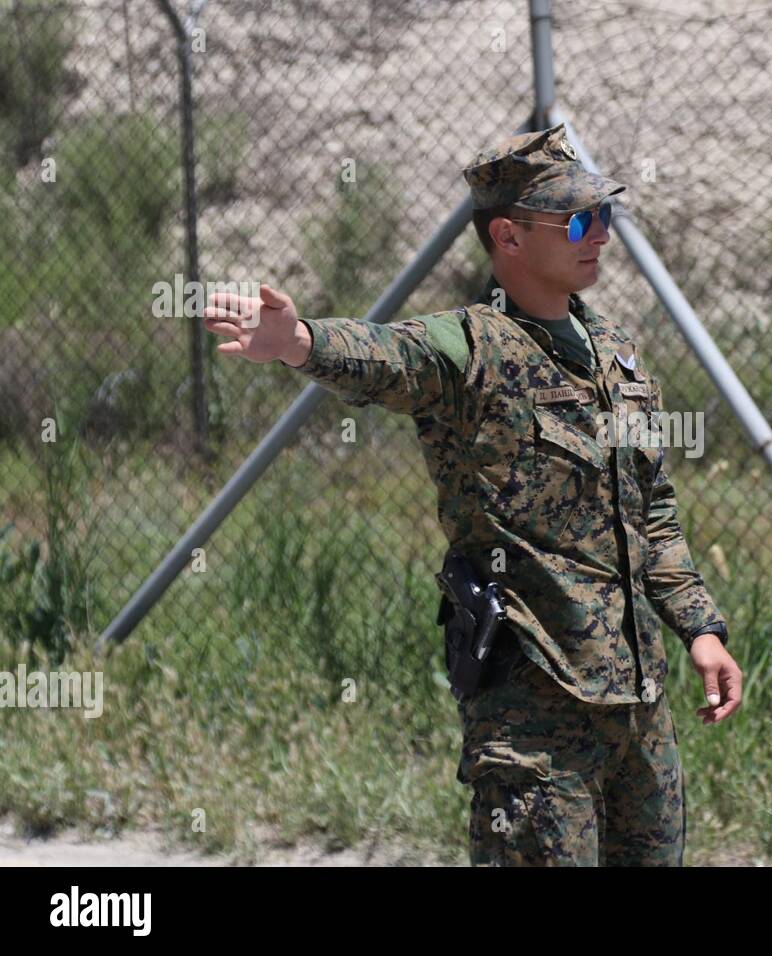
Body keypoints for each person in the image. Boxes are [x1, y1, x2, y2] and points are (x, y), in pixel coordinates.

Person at [202, 122, 743, 866]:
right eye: (579, 221)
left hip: (638, 706)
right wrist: (300, 343)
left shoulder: (617, 354)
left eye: (605, 217)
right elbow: (385, 355)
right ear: (509, 239)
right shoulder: (469, 349)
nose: (600, 237)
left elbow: (652, 511)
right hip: (534, 713)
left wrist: (700, 629)